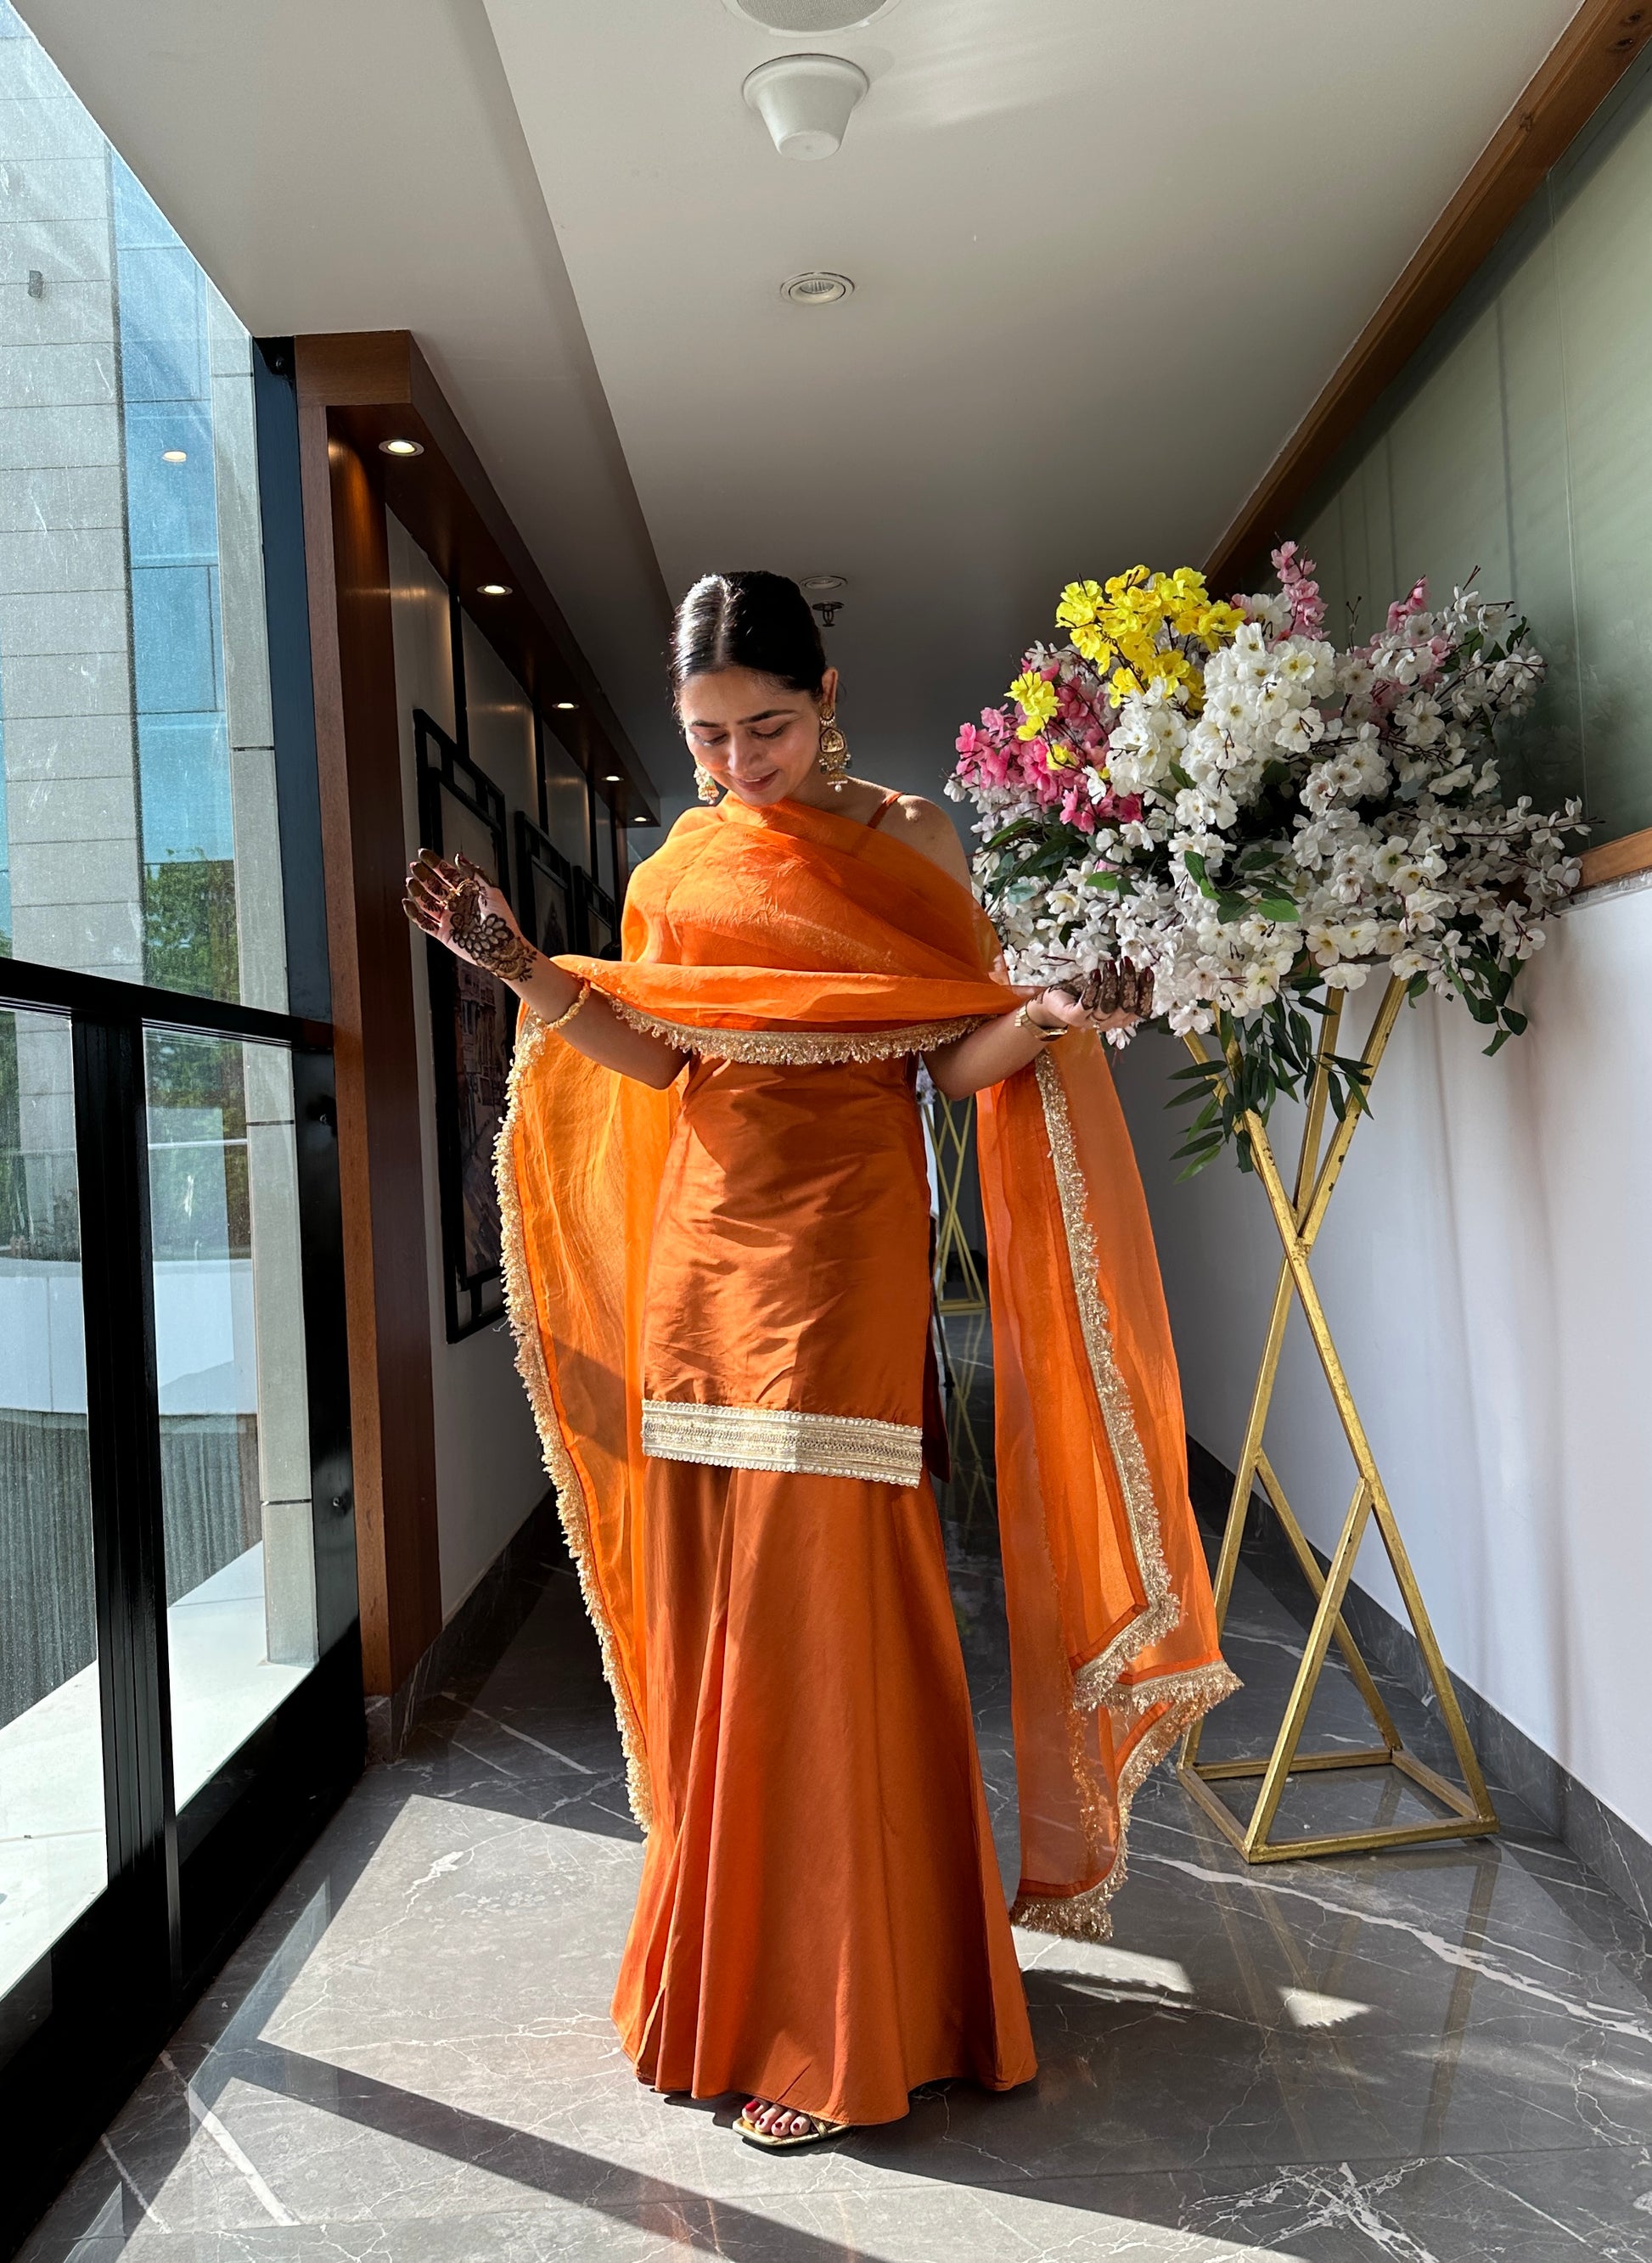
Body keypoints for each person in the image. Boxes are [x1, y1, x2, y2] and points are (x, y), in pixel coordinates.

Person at [404, 570, 1236, 2151]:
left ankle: (843, 2011)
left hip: (846, 1249)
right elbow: (657, 1058)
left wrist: (1053, 1007)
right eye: (709, 737)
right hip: (701, 1260)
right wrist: (517, 964)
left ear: (827, 697)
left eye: (768, 727)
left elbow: (955, 1051)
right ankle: (732, 1982)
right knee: (729, 1611)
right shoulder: (677, 870)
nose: (740, 764)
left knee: (831, 1594)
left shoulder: (913, 843)